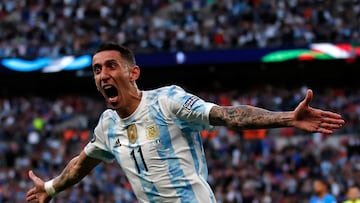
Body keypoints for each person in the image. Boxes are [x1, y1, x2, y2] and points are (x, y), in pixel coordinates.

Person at [25, 42, 345, 203]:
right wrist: (51, 188)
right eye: (97, 70)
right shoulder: (107, 125)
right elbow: (82, 163)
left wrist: (288, 117)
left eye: (111, 66)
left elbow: (225, 114)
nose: (103, 74)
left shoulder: (167, 101)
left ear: (133, 73)